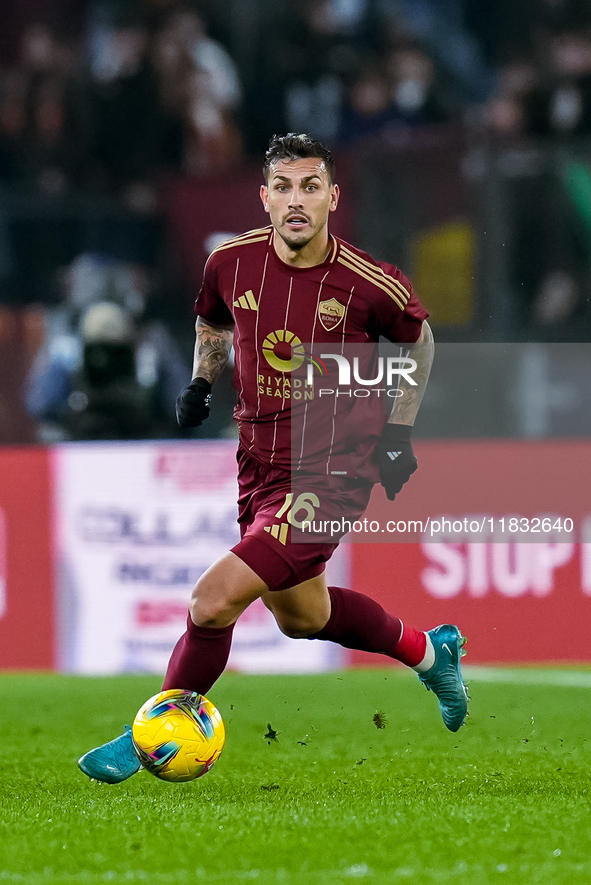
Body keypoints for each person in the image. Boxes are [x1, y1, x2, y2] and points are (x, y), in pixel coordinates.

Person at [78, 133, 468, 784]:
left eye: (310, 186)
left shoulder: (368, 283)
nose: (296, 199)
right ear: (263, 197)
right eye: (283, 186)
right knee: (303, 616)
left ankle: (149, 733)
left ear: (331, 198)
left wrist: (397, 431)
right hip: (259, 466)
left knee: (210, 601)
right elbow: (212, 321)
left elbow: (419, 341)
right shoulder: (229, 264)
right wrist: (203, 382)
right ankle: (431, 652)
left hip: (330, 472)